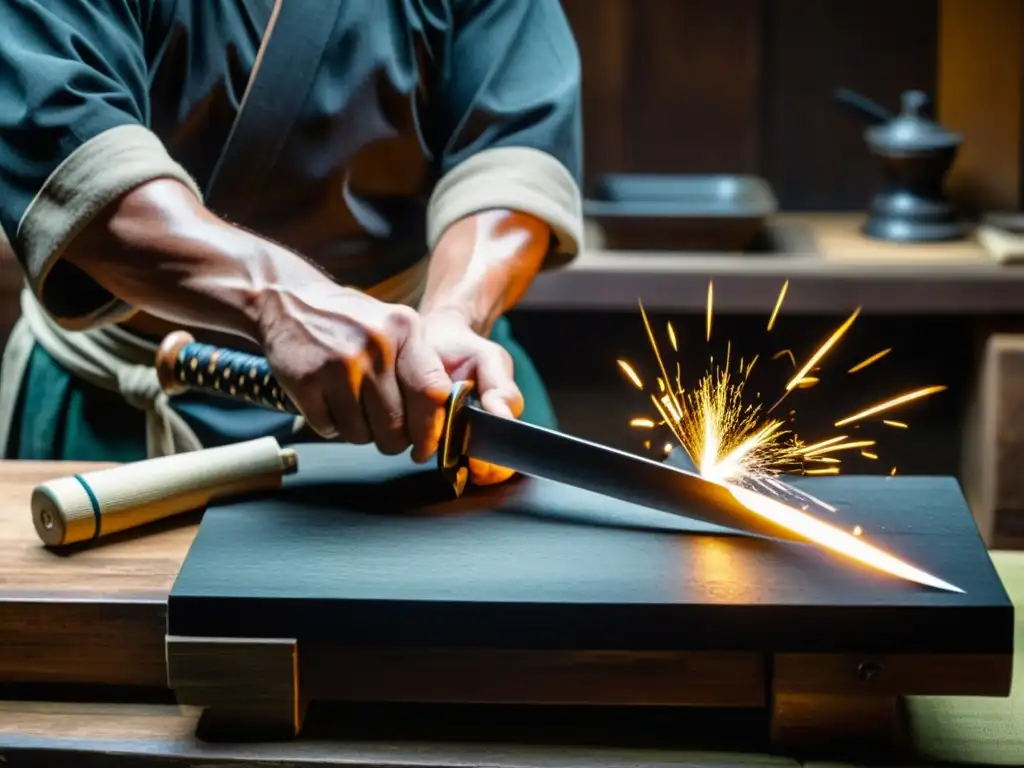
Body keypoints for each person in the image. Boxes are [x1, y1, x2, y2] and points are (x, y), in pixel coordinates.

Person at [0, 0, 583, 486]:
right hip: (118, 417)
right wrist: (277, 298)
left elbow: (515, 148)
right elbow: (64, 140)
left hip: (423, 409)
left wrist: (452, 317)